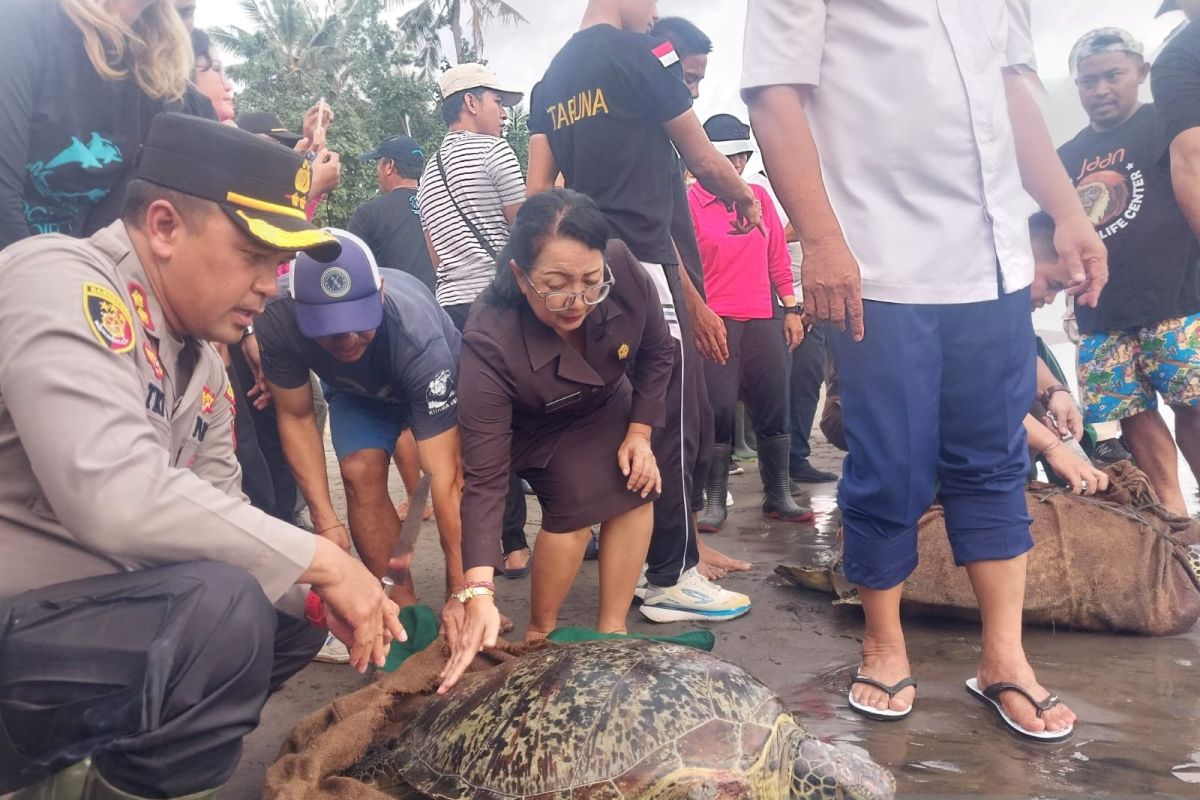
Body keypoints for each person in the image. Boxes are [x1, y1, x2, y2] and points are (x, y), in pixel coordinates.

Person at [0, 112, 403, 800]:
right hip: (23, 612)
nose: (272, 285)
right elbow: (117, 494)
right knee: (223, 612)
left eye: (280, 266)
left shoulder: (201, 364)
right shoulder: (60, 281)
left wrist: (316, 595)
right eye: (255, 257)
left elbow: (226, 515)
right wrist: (329, 559)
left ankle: (95, 770)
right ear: (163, 226)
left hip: (76, 621)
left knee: (286, 616)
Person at [742, 0, 1108, 740]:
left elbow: (1013, 90)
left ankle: (1004, 659)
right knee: (893, 461)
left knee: (993, 458)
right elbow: (774, 93)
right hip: (881, 258)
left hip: (997, 257)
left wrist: (1067, 210)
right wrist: (819, 238)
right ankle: (884, 642)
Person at [529, 0, 757, 623]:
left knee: (621, 418)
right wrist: (743, 196)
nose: (654, 11)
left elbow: (537, 193)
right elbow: (705, 157)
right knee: (672, 418)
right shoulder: (643, 54)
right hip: (647, 267)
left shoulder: (550, 80)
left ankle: (642, 565)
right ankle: (670, 576)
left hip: (591, 270)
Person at [441, 189, 675, 692]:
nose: (579, 301)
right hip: (536, 424)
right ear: (521, 276)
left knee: (637, 485)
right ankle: (541, 633)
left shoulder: (620, 266)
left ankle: (612, 630)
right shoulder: (488, 337)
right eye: (557, 285)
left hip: (605, 401)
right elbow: (484, 479)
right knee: (572, 503)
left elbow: (657, 352)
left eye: (591, 282)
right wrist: (477, 587)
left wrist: (640, 433)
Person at [254, 229, 470, 634]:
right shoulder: (276, 316)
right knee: (358, 472)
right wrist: (326, 520)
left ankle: (467, 596)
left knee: (459, 480)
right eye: (331, 329)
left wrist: (462, 593)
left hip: (431, 376)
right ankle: (404, 617)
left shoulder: (417, 339)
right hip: (360, 394)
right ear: (298, 309)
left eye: (359, 324)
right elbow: (298, 417)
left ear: (381, 293)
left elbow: (444, 480)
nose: (349, 340)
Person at [1057, 29, 1200, 517]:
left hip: (1177, 298)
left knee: (1194, 404)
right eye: (1087, 81)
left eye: (1113, 75)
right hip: (1101, 310)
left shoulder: (1168, 121)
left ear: (1140, 73)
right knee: (1130, 413)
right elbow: (1049, 227)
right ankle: (1178, 520)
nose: (1100, 89)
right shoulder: (1066, 156)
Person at [418, 63, 532, 576]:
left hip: (451, 311)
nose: (504, 111)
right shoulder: (495, 153)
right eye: (497, 101)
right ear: (469, 102)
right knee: (526, 417)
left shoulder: (428, 171)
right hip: (500, 306)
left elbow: (436, 256)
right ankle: (535, 538)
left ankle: (500, 545)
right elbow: (528, 233)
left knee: (480, 427)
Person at [689, 114, 811, 532]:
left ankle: (778, 492)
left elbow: (777, 257)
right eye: (728, 159)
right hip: (716, 319)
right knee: (718, 408)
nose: (736, 167)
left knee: (774, 404)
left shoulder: (759, 196)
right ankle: (715, 498)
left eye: (740, 157)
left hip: (764, 316)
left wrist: (791, 309)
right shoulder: (688, 203)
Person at [0, 0, 192, 249]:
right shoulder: (21, 19)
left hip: (72, 266)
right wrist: (37, 279)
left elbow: (116, 220)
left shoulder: (158, 64)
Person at [352, 134, 438, 293]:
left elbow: (352, 272)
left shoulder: (369, 213)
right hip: (441, 311)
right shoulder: (439, 208)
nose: (376, 171)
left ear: (389, 165)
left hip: (394, 311)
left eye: (378, 163)